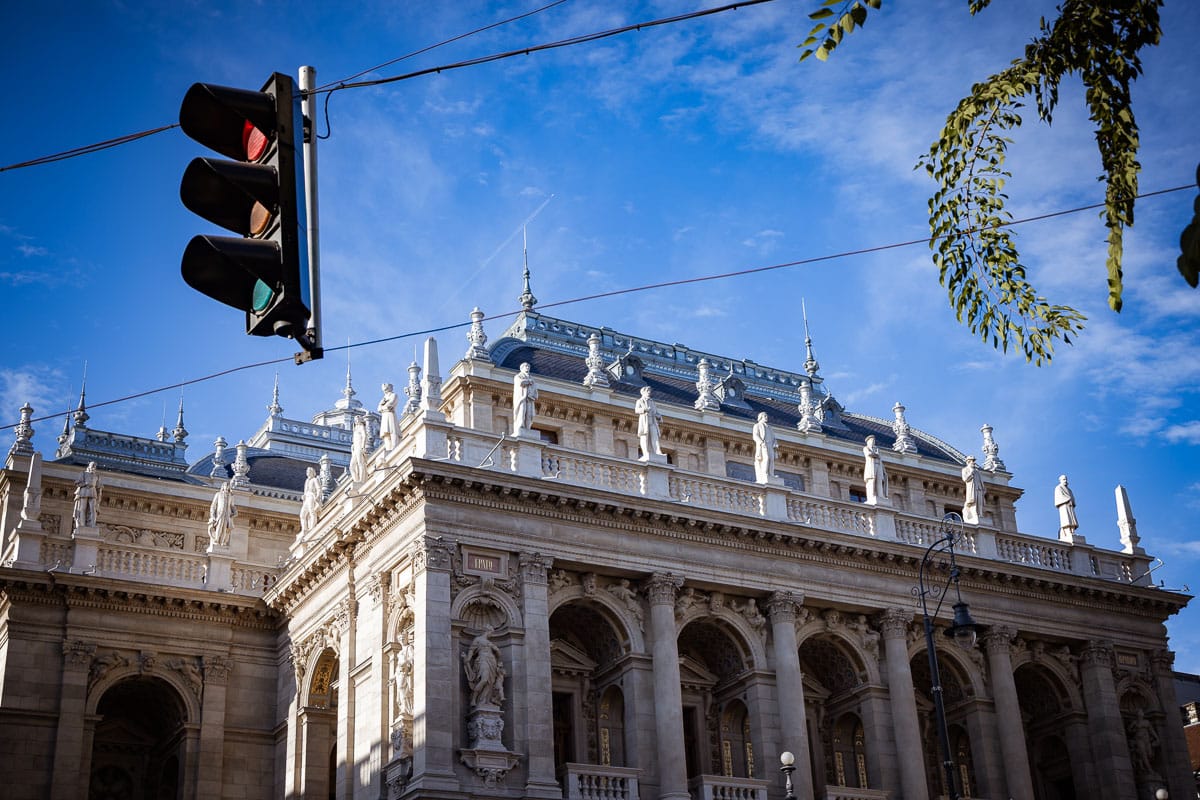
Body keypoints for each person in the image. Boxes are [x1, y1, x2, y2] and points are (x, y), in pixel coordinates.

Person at [463, 627, 505, 709]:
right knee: (484, 679)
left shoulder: (490, 643)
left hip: (492, 662)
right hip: (482, 660)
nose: (491, 634)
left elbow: (499, 654)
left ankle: (485, 700)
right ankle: (474, 699)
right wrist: (467, 658)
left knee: (491, 682)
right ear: (487, 631)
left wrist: (496, 649)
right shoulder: (478, 639)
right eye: (491, 632)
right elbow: (471, 650)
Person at [635, 386, 664, 459]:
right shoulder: (640, 401)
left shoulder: (652, 402)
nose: (649, 392)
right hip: (645, 422)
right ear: (643, 392)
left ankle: (658, 451)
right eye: (648, 391)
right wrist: (644, 409)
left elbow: (656, 412)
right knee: (645, 437)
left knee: (655, 437)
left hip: (653, 422)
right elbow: (637, 410)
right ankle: (645, 452)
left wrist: (659, 416)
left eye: (650, 391)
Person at [72, 461, 101, 530]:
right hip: (84, 491)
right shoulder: (83, 473)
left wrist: (100, 487)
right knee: (82, 508)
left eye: (94, 466)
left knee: (93, 509)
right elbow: (77, 483)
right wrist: (85, 484)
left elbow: (98, 486)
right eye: (92, 466)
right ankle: (82, 524)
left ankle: (92, 524)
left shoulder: (97, 476)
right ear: (89, 466)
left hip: (93, 492)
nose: (93, 467)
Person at [512, 363, 538, 437]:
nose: (527, 367)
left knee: (529, 414)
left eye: (528, 366)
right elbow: (521, 382)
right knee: (521, 412)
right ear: (522, 368)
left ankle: (527, 427)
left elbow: (535, 389)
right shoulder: (518, 376)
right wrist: (529, 382)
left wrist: (533, 395)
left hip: (530, 399)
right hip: (522, 398)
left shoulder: (532, 378)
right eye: (526, 366)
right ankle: (521, 426)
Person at [207, 481, 237, 547]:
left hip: (227, 514)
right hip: (220, 514)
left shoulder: (231, 496)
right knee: (219, 527)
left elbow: (232, 506)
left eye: (228, 486)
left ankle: (222, 542)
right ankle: (216, 540)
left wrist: (235, 512)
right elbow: (213, 505)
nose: (227, 487)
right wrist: (213, 516)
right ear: (223, 487)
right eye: (226, 486)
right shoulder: (218, 494)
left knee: (224, 529)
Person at [863, 435, 888, 504]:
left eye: (874, 441)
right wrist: (876, 455)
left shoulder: (877, 449)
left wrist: (884, 470)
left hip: (878, 466)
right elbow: (869, 454)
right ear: (868, 441)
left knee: (879, 480)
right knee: (872, 480)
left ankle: (880, 495)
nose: (873, 442)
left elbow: (880, 458)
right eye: (872, 441)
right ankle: (871, 495)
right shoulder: (866, 448)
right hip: (871, 466)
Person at [753, 412, 777, 483]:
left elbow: (773, 437)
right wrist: (761, 442)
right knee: (766, 458)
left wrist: (775, 443)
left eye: (766, 416)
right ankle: (764, 473)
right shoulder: (757, 425)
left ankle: (771, 474)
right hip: (763, 445)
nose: (766, 417)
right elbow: (755, 435)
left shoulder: (769, 428)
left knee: (771, 459)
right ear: (760, 417)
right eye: (764, 416)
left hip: (770, 445)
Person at [961, 455, 985, 524]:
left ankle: (980, 514)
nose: (974, 462)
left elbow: (980, 481)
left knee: (979, 503)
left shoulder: (977, 471)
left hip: (979, 488)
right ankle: (974, 515)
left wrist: (983, 488)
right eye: (972, 461)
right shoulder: (965, 470)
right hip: (972, 488)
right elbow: (965, 478)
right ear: (968, 462)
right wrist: (971, 473)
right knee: (973, 501)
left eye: (974, 461)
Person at [377, 383, 399, 451]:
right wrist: (384, 407)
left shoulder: (393, 395)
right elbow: (378, 408)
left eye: (386, 389)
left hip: (390, 414)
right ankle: (388, 448)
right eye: (384, 390)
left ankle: (395, 446)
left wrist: (383, 407)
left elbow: (390, 404)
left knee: (392, 430)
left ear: (390, 388)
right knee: (385, 433)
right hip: (385, 415)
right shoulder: (384, 398)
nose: (385, 391)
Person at [299, 467, 321, 534]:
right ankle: (304, 529)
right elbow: (306, 491)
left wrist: (317, 496)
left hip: (312, 497)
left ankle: (312, 527)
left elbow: (319, 488)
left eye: (309, 471)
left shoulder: (315, 479)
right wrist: (304, 496)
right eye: (307, 472)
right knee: (302, 515)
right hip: (307, 498)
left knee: (312, 511)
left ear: (312, 472)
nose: (307, 473)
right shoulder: (307, 481)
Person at [350, 416, 369, 483]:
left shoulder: (361, 427)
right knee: (351, 466)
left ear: (360, 420)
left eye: (357, 419)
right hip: (355, 448)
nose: (356, 421)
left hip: (359, 447)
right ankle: (356, 480)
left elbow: (364, 436)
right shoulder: (355, 428)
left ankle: (361, 480)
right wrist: (353, 446)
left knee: (360, 463)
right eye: (355, 420)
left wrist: (363, 446)